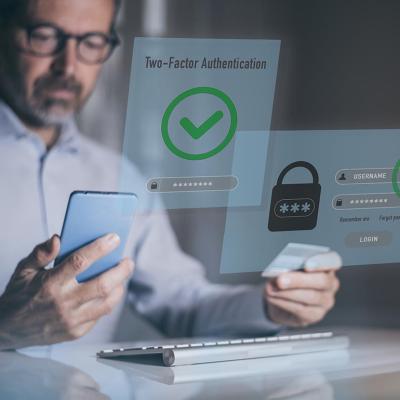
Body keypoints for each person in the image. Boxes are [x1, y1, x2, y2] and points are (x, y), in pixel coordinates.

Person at [0, 0, 340, 350]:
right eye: (44, 36)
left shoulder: (122, 176)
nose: (68, 65)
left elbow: (183, 303)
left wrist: (271, 305)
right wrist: (5, 328)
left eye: (91, 42)